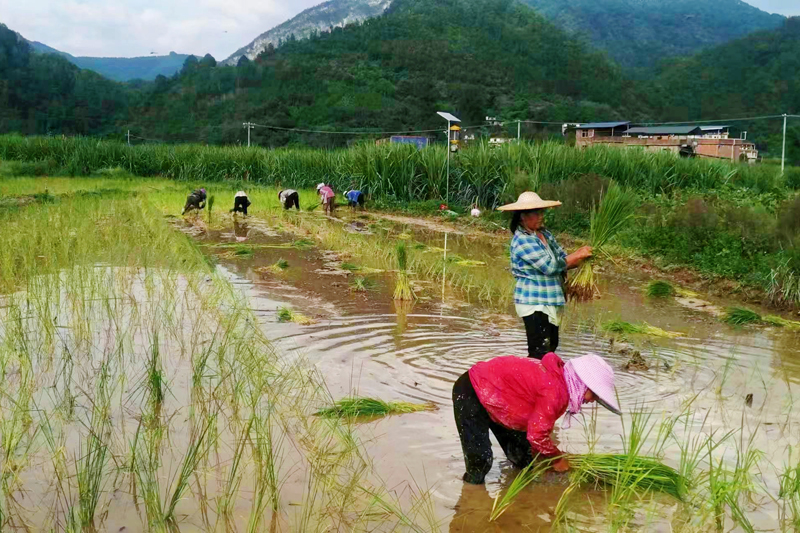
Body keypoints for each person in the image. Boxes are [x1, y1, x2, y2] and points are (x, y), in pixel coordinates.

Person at [453, 352, 621, 484]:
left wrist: (548, 458)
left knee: (523, 458)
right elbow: (537, 435)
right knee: (480, 463)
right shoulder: (555, 392)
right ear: (582, 383)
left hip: (500, 399)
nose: (592, 400)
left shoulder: (560, 382)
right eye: (594, 394)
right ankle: (470, 502)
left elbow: (535, 429)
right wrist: (557, 458)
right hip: (472, 391)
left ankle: (520, 497)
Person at [498, 192, 593, 359]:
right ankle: (531, 383)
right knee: (539, 352)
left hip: (551, 299)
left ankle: (538, 382)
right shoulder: (522, 240)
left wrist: (583, 259)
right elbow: (549, 267)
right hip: (534, 302)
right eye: (536, 213)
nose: (541, 216)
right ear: (522, 217)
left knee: (551, 348)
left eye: (541, 212)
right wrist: (577, 255)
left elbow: (563, 259)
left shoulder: (545, 234)